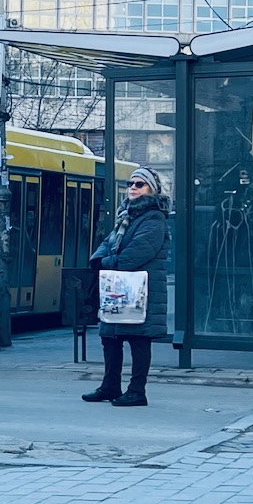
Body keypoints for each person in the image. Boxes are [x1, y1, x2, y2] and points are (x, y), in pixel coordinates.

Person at [83, 165, 170, 408]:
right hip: (120, 284)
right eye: (130, 184)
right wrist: (97, 259)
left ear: (151, 189)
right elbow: (108, 241)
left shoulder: (154, 217)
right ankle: (110, 385)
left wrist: (106, 263)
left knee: (138, 340)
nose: (132, 188)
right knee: (110, 337)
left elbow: (136, 254)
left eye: (139, 184)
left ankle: (137, 391)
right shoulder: (126, 215)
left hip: (141, 288)